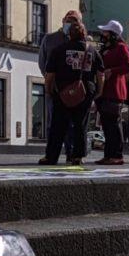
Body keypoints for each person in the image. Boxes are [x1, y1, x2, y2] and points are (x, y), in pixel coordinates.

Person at [40, 22, 102, 165]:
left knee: (58, 125)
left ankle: (51, 156)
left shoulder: (59, 50)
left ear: (69, 34)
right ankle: (78, 156)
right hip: (85, 91)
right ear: (84, 34)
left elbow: (50, 74)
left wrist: (48, 89)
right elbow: (100, 74)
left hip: (63, 91)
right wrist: (99, 90)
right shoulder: (92, 51)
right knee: (81, 125)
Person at [38, 10, 84, 163]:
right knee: (54, 123)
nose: (70, 23)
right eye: (68, 19)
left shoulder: (84, 44)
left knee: (74, 124)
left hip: (76, 90)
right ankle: (51, 154)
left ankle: (72, 153)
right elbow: (43, 63)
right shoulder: (50, 39)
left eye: (74, 20)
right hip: (56, 89)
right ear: (63, 20)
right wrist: (49, 83)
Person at [95, 21, 129, 165]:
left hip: (115, 91)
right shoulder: (106, 48)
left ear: (113, 34)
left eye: (105, 32)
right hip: (104, 91)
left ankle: (117, 155)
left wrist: (112, 71)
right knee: (106, 125)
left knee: (113, 124)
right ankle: (108, 155)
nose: (103, 34)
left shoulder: (122, 47)